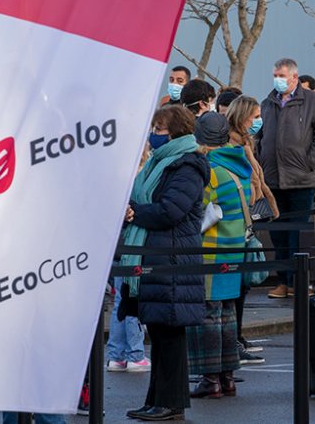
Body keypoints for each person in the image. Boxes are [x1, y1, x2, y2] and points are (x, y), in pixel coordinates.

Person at [121, 105, 208, 421]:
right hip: (154, 256)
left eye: (158, 129)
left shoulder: (187, 166)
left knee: (169, 334)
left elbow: (170, 210)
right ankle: (157, 399)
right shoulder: (158, 163)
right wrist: (134, 209)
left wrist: (135, 213)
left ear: (174, 133)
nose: (152, 135)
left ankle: (170, 404)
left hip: (171, 259)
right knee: (158, 332)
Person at [256, 58, 315, 298]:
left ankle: (299, 282)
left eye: (281, 75)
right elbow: (259, 134)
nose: (277, 79)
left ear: (294, 77)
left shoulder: (312, 101)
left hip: (301, 180)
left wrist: (309, 162)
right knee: (278, 234)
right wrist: (260, 160)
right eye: (275, 75)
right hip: (273, 180)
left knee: (298, 234)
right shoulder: (267, 103)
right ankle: (282, 281)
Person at [188, 113, 249, 399]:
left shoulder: (210, 169)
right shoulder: (239, 165)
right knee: (227, 314)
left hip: (211, 250)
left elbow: (196, 207)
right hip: (235, 247)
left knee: (209, 315)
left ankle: (210, 378)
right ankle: (228, 378)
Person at [226, 96, 278, 364]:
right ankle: (232, 342)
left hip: (247, 220)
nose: (258, 121)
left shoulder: (247, 141)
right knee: (235, 287)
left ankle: (236, 339)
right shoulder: (231, 143)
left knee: (242, 286)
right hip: (237, 222)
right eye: (255, 116)